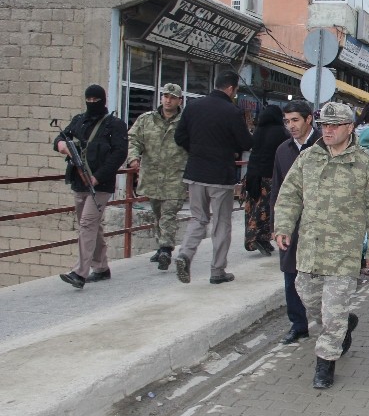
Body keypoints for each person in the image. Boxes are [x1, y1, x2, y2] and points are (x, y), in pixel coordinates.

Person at [273, 102, 369, 389]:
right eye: (325, 125)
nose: (329, 130)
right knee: (312, 303)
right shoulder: (308, 158)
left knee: (333, 310)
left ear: (350, 128)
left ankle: (325, 364)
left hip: (344, 252)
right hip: (310, 249)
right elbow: (289, 195)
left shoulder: (366, 163)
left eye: (335, 125)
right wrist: (283, 227)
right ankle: (345, 323)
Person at [173, 71, 253, 285]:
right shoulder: (232, 111)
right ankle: (217, 271)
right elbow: (245, 143)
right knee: (221, 223)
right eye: (235, 91)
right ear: (230, 89)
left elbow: (179, 136)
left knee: (197, 218)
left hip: (195, 173)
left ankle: (185, 255)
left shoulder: (193, 107)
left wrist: (197, 150)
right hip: (220, 176)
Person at [54, 84, 128, 288]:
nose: (92, 103)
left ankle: (80, 273)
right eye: (89, 100)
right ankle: (102, 268)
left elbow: (119, 154)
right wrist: (61, 145)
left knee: (87, 223)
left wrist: (97, 177)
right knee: (91, 226)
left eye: (96, 100)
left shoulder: (115, 125)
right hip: (78, 182)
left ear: (103, 100)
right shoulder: (79, 121)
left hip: (100, 185)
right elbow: (62, 137)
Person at [270, 100, 318, 345]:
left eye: (295, 120)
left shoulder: (326, 145)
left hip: (321, 224)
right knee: (290, 274)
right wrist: (278, 226)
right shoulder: (283, 151)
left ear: (309, 119)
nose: (291, 126)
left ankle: (330, 321)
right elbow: (277, 190)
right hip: (292, 222)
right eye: (287, 121)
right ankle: (298, 325)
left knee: (319, 277)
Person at [126, 83, 187, 271]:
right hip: (152, 176)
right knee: (158, 213)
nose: (168, 100)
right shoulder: (147, 120)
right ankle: (161, 246)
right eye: (165, 96)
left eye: (172, 97)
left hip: (175, 176)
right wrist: (133, 157)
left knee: (168, 214)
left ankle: (165, 249)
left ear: (179, 100)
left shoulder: (186, 121)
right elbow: (133, 139)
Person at [243, 104, 289, 256]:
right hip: (270, 177)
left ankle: (259, 239)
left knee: (254, 208)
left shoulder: (258, 131)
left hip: (252, 176)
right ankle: (258, 237)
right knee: (267, 209)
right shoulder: (281, 133)